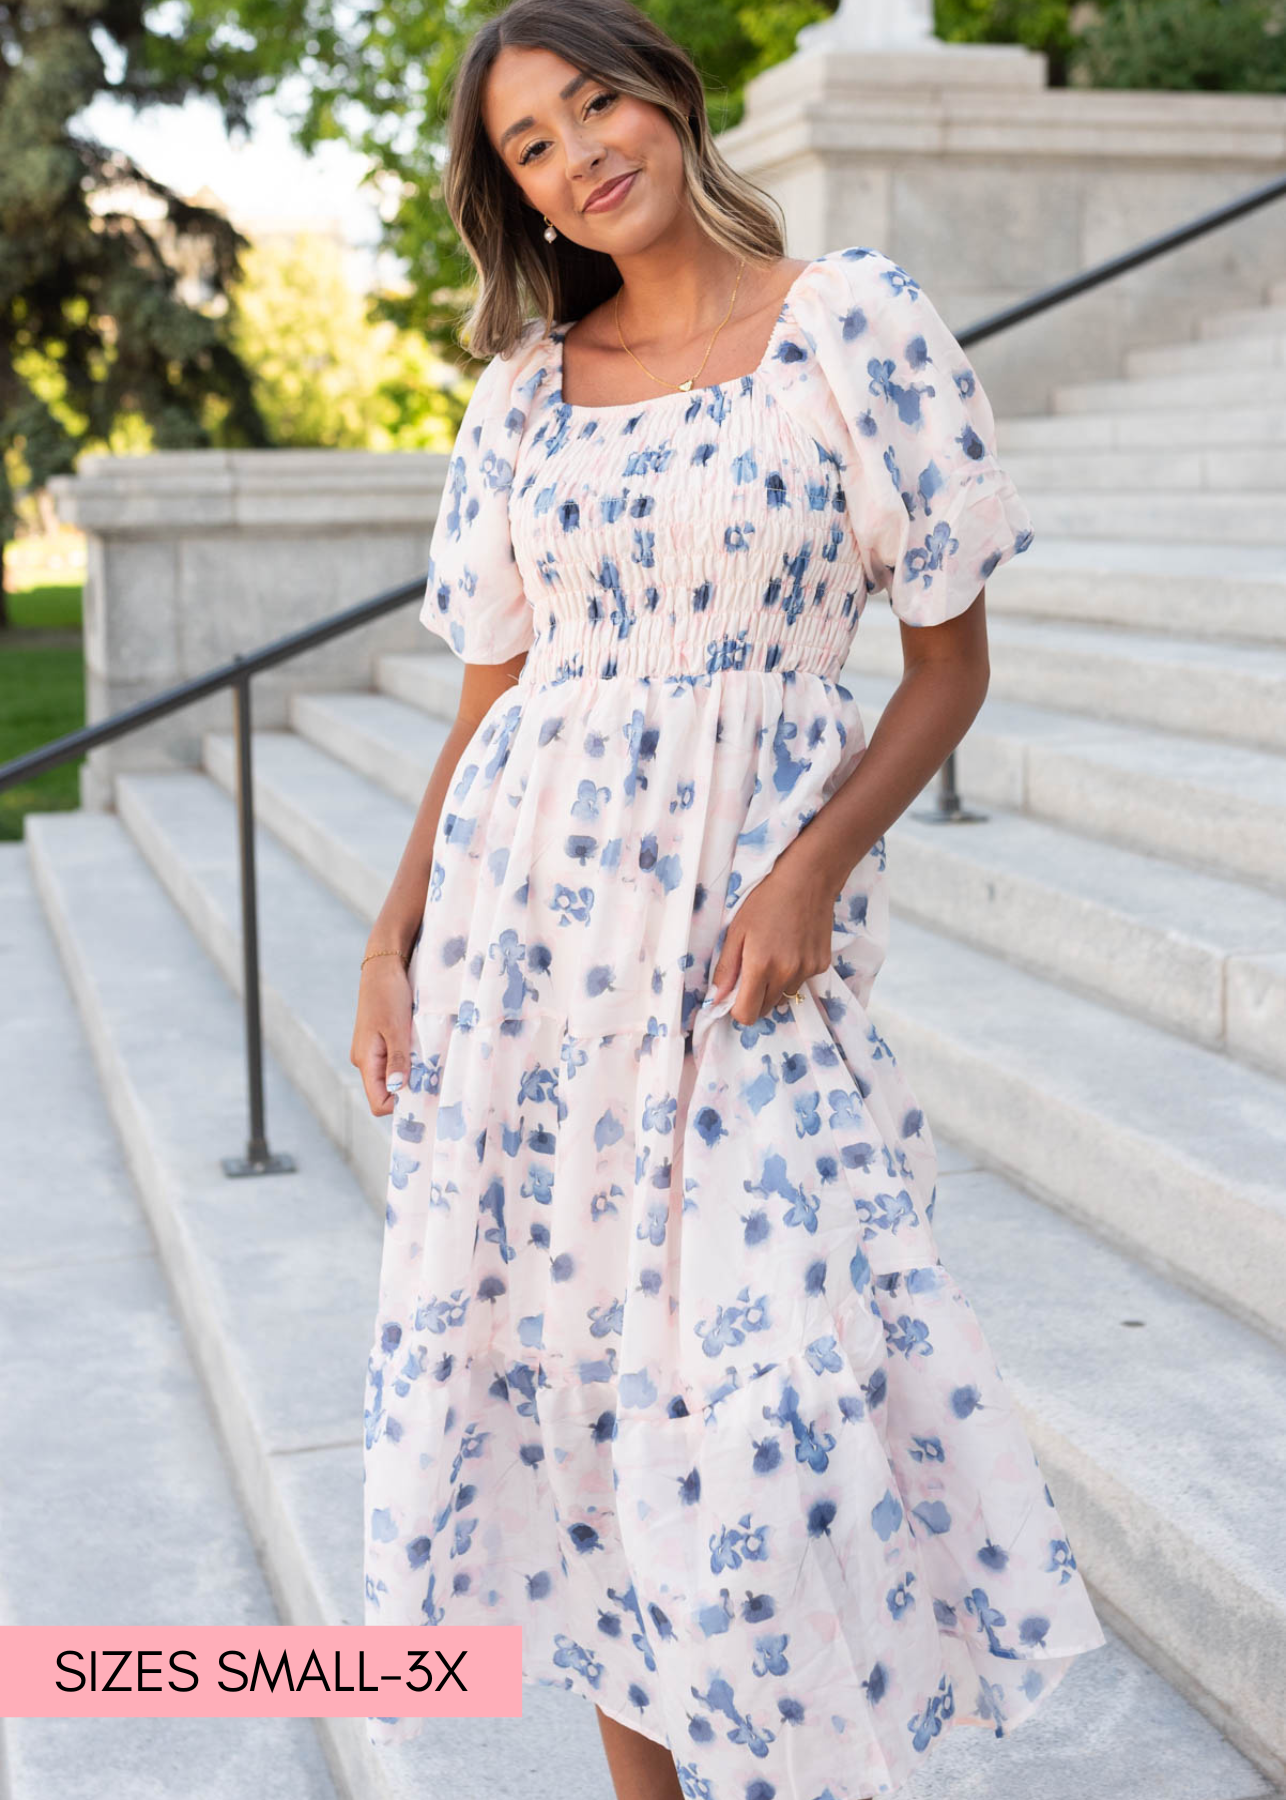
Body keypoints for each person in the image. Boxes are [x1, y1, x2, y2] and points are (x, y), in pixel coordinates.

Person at [351, 1, 1107, 1794]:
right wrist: (390, 941)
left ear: (667, 96)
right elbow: (488, 698)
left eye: (594, 102)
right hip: (525, 957)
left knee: (771, 1429)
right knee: (592, 1409)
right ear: (513, 198)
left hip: (739, 954)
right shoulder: (524, 399)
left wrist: (809, 878)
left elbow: (943, 668)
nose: (578, 152)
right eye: (530, 145)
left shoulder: (852, 323)